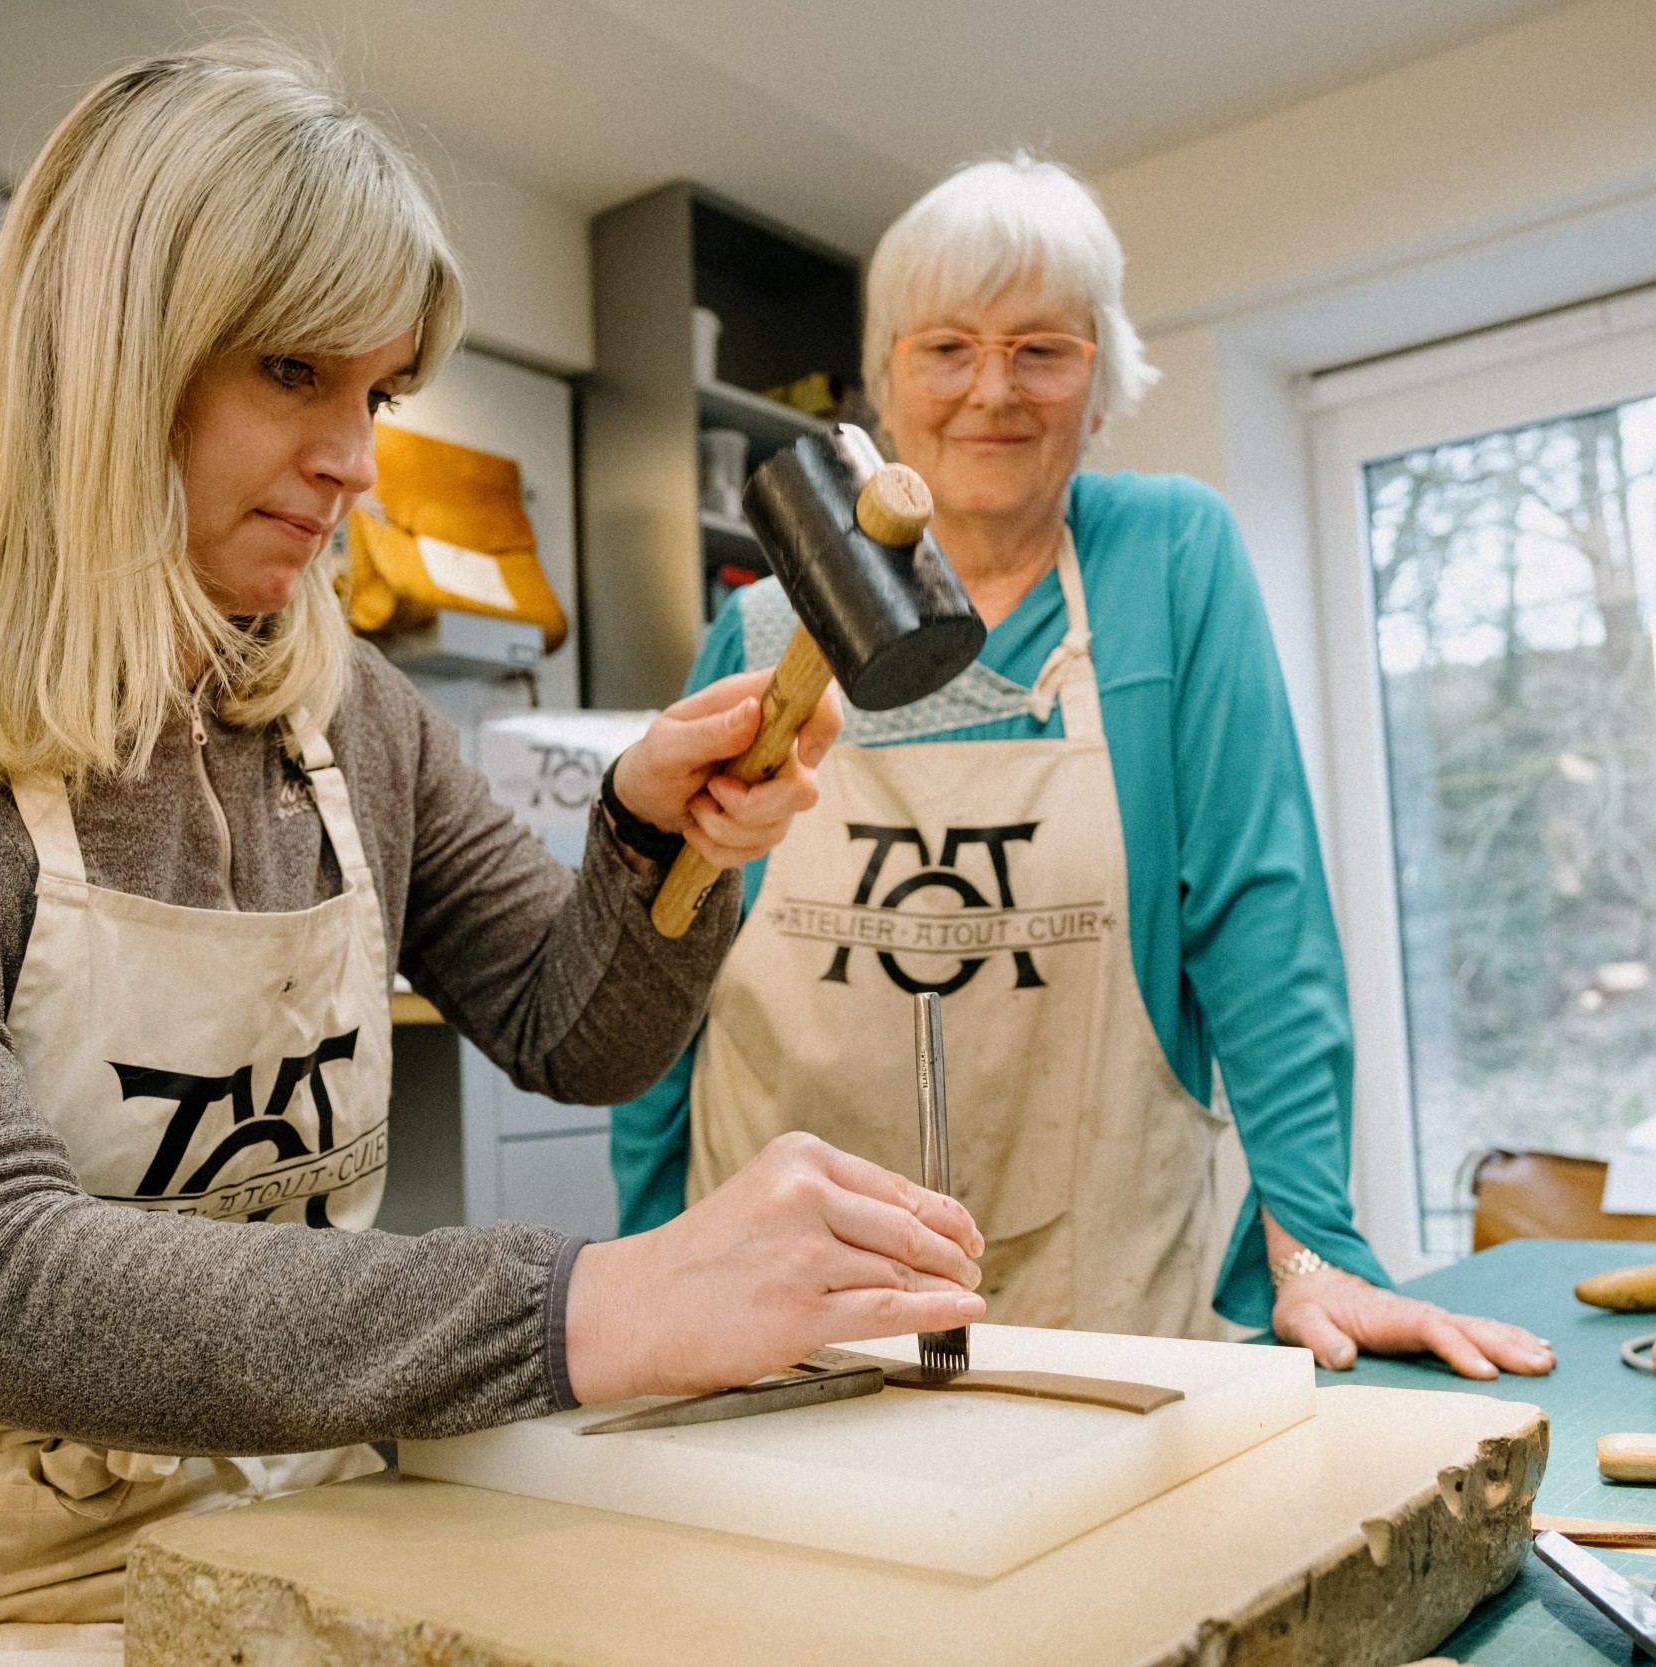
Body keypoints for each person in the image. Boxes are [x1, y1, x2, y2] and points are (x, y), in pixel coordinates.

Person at [0, 47, 984, 1666]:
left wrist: (646, 836)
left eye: (381, 394)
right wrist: (598, 1303)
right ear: (114, 358)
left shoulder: (352, 717)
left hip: (275, 1529)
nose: (357, 458)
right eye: (293, 371)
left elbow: (579, 1037)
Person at [611, 156, 1556, 1382]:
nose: (991, 391)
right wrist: (643, 1263)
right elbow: (665, 968)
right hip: (784, 1301)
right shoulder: (761, 626)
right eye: (945, 348)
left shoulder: (1170, 558)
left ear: (1101, 381)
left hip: (1099, 1289)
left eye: (1041, 350)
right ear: (884, 392)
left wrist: (1315, 1246)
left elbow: (1259, 924)